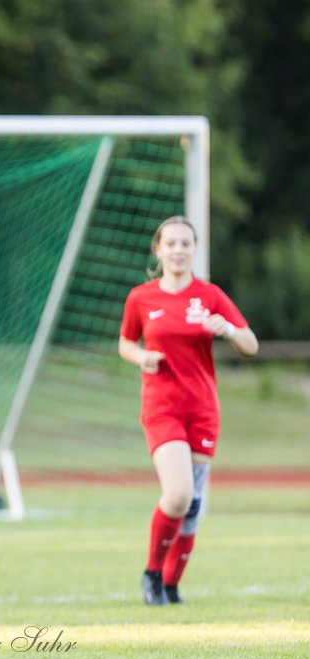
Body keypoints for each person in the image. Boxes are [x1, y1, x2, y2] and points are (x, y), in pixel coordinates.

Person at [118, 216, 258, 606]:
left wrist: (228, 330)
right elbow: (125, 343)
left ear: (194, 249)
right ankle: (151, 574)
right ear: (158, 249)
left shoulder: (210, 295)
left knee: (193, 507)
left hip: (202, 409)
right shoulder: (141, 297)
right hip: (162, 408)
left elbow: (251, 343)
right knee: (178, 494)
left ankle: (171, 584)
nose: (179, 250)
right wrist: (142, 356)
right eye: (172, 243)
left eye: (186, 244)